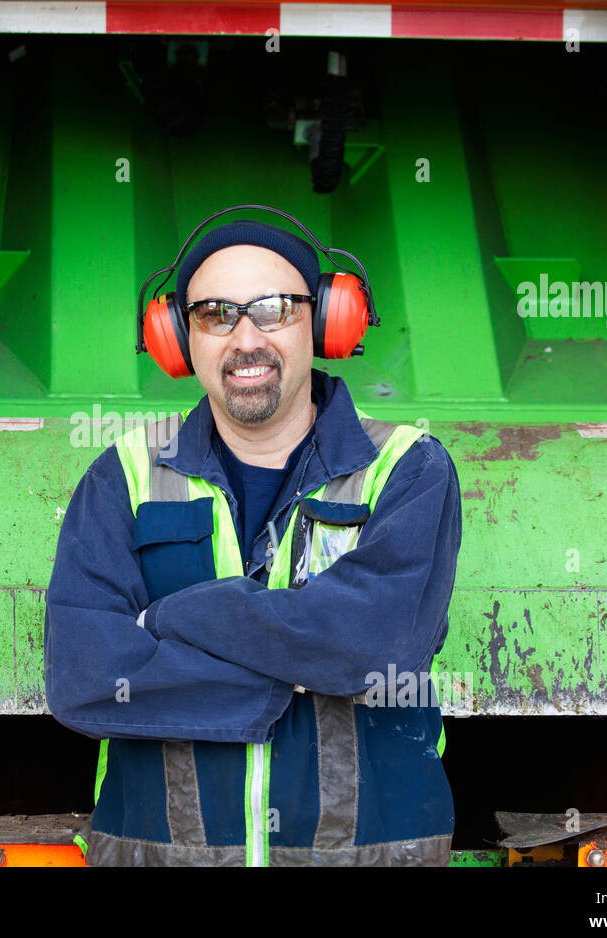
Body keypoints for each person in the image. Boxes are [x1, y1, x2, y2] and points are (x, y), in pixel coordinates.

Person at [44, 212, 462, 866]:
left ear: (324, 322)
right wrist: (292, 680)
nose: (245, 338)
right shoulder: (124, 475)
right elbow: (86, 676)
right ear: (180, 339)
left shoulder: (408, 467)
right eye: (215, 314)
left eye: (273, 310)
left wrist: (171, 619)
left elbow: (375, 644)